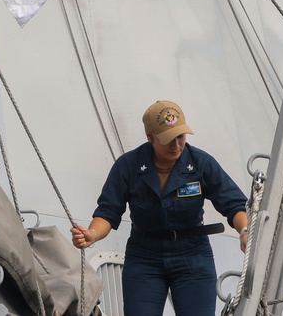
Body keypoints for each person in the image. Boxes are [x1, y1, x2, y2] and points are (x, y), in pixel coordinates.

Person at [71, 101, 249, 316]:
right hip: (145, 256)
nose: (176, 145)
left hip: (192, 255)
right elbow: (107, 212)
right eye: (167, 140)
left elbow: (234, 205)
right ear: (150, 138)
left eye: (180, 137)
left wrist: (244, 231)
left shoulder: (201, 163)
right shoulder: (128, 166)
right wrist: (92, 234)